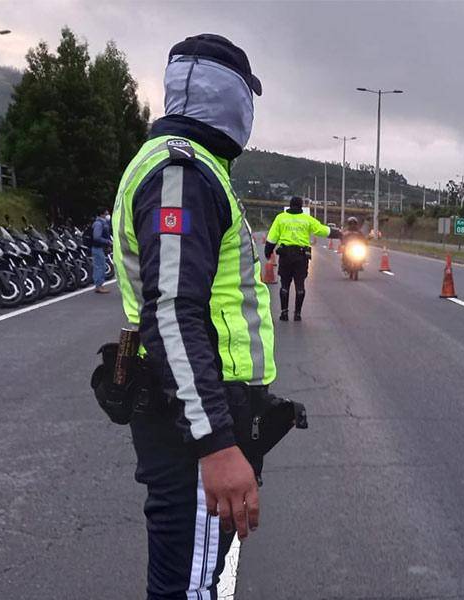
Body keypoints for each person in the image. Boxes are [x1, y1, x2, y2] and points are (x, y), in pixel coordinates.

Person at [111, 34, 273, 599]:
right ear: (233, 97)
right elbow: (173, 313)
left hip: (188, 411)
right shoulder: (181, 172)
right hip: (191, 426)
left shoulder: (189, 168)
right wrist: (215, 443)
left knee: (183, 582)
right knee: (189, 590)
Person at [264, 196, 339, 322]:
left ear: (290, 205)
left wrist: (268, 251)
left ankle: (284, 313)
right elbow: (322, 230)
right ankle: (297, 314)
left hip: (285, 256)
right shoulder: (307, 219)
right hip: (301, 257)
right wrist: (339, 234)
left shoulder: (281, 218)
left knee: (285, 285)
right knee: (300, 286)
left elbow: (272, 237)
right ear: (301, 207)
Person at [91, 208, 113, 293]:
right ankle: (98, 286)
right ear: (102, 215)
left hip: (100, 248)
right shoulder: (98, 224)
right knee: (100, 267)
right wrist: (107, 242)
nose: (108, 215)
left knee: (101, 266)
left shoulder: (102, 223)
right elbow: (96, 237)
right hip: (97, 248)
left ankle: (100, 285)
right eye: (106, 214)